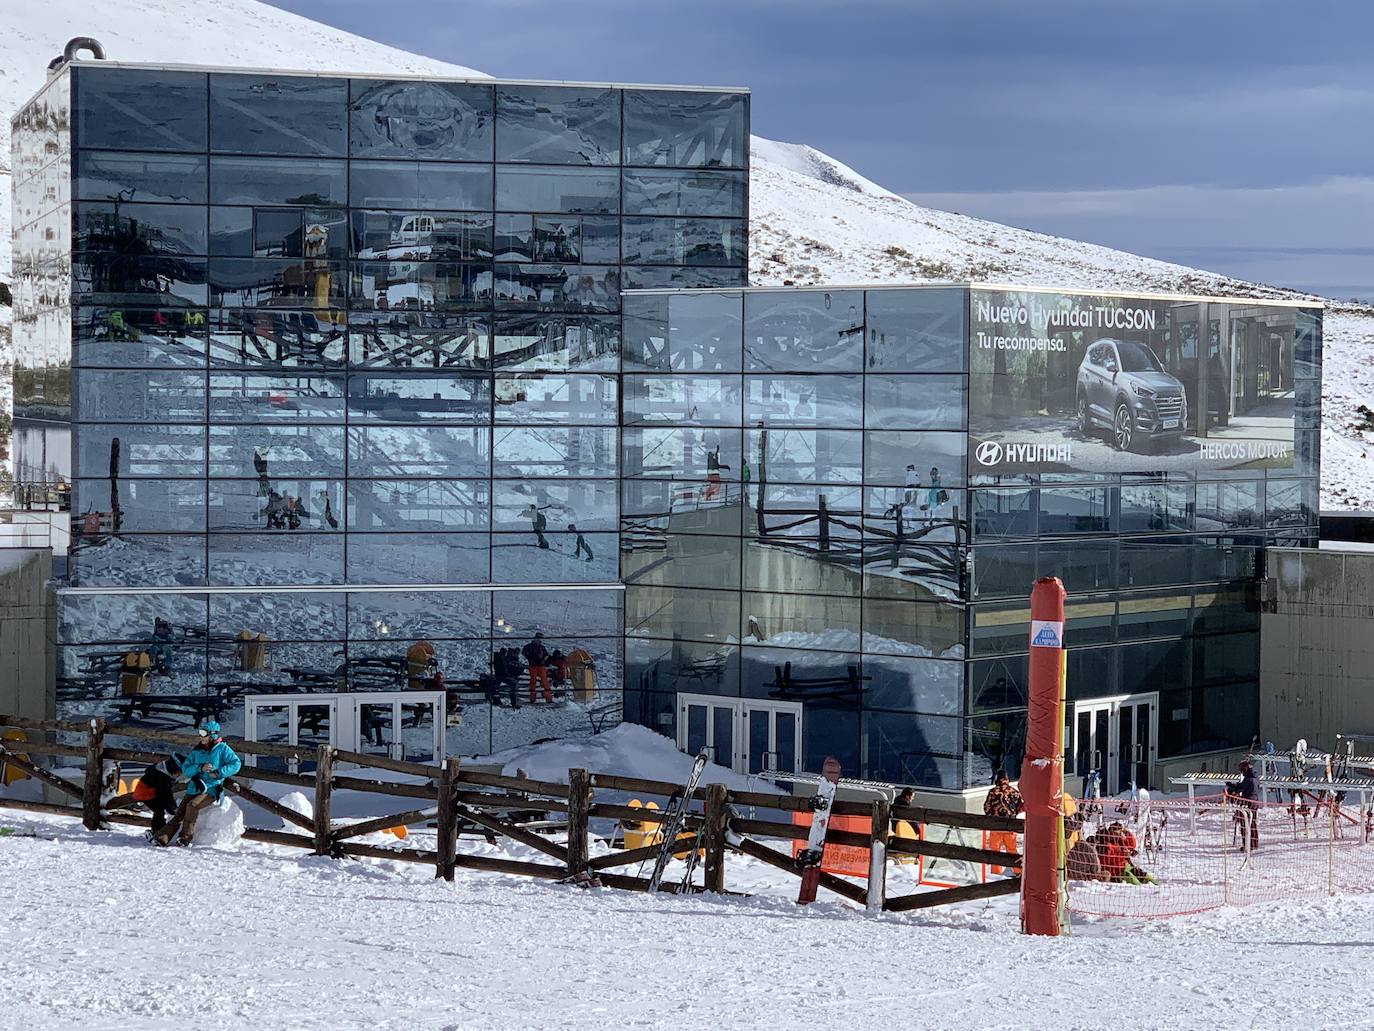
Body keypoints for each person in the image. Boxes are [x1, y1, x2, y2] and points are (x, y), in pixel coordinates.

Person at [153, 722, 241, 847]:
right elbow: (186, 769)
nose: (201, 736)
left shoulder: (222, 749)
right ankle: (162, 837)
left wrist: (219, 773)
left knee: (192, 805)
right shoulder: (197, 751)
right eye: (200, 733)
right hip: (195, 787)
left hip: (211, 788)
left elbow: (236, 764)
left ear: (212, 735)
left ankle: (185, 838)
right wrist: (200, 768)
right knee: (180, 812)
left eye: (204, 733)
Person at [982, 769, 1023, 875]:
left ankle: (996, 873)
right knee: (1012, 849)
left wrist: (991, 817)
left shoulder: (992, 791)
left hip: (996, 826)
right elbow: (1020, 806)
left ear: (997, 779)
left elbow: (986, 807)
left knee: (995, 851)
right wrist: (1013, 815)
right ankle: (1017, 871)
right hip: (1010, 826)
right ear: (1007, 779)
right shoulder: (1014, 791)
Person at [1226, 759, 1260, 852]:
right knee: (1252, 823)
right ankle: (1254, 843)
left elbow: (1239, 788)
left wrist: (1231, 786)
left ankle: (1248, 845)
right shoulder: (1255, 777)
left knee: (1245, 824)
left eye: (1241, 771)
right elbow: (1243, 786)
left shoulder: (1249, 779)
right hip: (1254, 802)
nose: (1241, 773)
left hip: (1247, 803)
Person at [522, 633, 553, 704]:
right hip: (533, 666)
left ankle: (548, 698)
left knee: (544, 682)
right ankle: (532, 698)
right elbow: (524, 653)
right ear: (535, 638)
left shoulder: (542, 647)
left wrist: (543, 660)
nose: (540, 640)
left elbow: (546, 655)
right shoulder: (529, 646)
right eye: (539, 638)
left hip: (541, 666)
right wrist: (529, 658)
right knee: (533, 681)